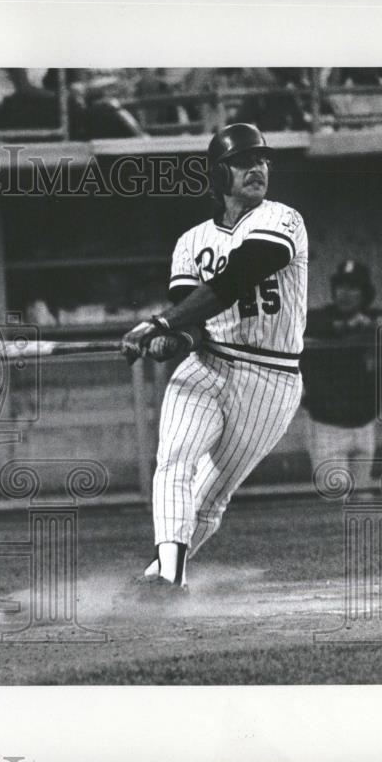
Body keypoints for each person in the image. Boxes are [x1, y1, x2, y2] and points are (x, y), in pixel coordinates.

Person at [121, 123, 308, 595]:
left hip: (272, 378)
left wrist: (160, 325)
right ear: (219, 174)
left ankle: (155, 577)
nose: (258, 168)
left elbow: (236, 279)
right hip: (207, 366)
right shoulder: (190, 241)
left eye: (263, 160)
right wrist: (171, 343)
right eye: (245, 162)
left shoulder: (284, 219)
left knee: (210, 498)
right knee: (175, 460)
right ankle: (169, 579)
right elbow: (194, 324)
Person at [301, 260, 382, 480]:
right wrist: (346, 327)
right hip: (328, 427)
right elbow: (306, 326)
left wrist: (373, 325)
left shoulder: (375, 320)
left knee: (363, 498)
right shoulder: (316, 319)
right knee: (334, 499)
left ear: (364, 293)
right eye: (341, 287)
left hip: (364, 425)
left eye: (353, 287)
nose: (345, 293)